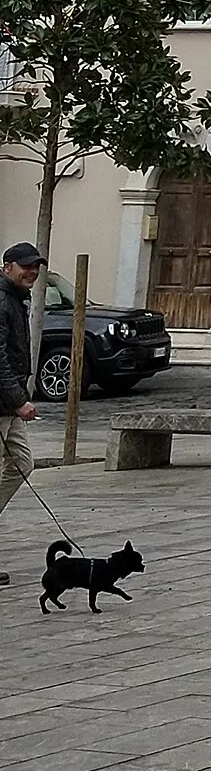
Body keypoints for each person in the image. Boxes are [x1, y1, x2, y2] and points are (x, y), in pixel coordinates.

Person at [0, 243, 48, 584]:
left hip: (8, 403)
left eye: (35, 267)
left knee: (22, 462)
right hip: (5, 402)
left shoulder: (17, 298)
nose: (31, 271)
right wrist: (18, 400)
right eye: (25, 266)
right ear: (7, 266)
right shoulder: (2, 301)